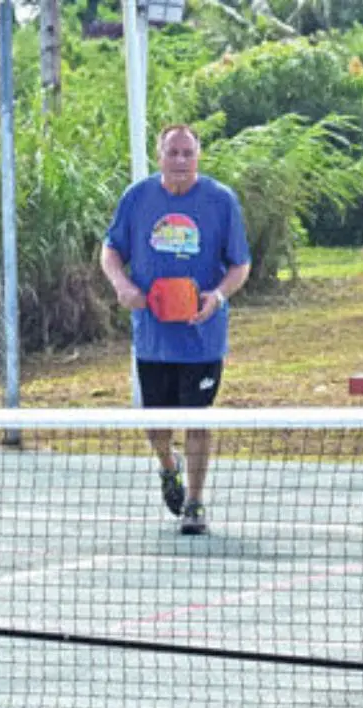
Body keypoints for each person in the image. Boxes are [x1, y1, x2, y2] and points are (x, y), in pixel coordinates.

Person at [101, 124, 251, 535]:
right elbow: (111, 250)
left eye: (188, 153)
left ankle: (195, 503)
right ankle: (169, 467)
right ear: (159, 155)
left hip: (202, 340)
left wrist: (216, 297)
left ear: (198, 156)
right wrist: (122, 285)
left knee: (197, 419)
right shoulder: (138, 198)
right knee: (156, 424)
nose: (181, 160)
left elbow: (240, 265)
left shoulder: (221, 202)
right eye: (173, 153)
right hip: (152, 338)